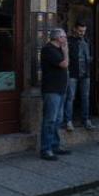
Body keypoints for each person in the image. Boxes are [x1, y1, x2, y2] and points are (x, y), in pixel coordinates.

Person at [40, 28, 71, 161]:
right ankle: (46, 149)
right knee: (50, 120)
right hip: (51, 90)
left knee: (58, 120)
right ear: (58, 38)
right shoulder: (48, 50)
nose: (66, 39)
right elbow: (64, 64)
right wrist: (65, 51)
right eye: (64, 36)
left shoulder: (57, 49)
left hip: (60, 89)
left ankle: (55, 145)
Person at [64, 21, 94, 131]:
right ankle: (68, 121)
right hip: (73, 73)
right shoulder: (69, 41)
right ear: (75, 29)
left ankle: (85, 120)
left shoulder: (87, 40)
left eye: (84, 31)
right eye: (80, 31)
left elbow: (90, 54)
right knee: (70, 97)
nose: (82, 33)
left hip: (86, 73)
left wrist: (90, 59)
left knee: (85, 97)